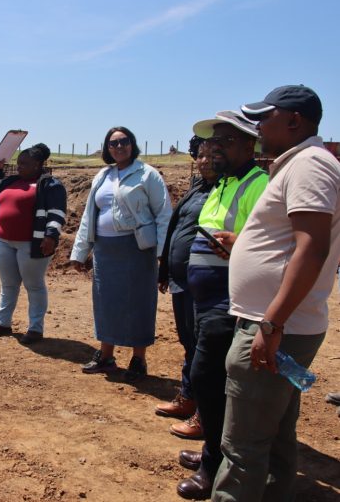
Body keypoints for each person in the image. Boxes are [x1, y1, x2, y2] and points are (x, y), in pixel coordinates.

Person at [211, 85, 340, 501]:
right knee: (276, 432)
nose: (257, 126)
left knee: (243, 445)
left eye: (264, 117)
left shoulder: (310, 166)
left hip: (274, 327)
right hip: (278, 324)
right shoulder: (299, 164)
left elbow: (313, 247)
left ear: (293, 120)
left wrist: (271, 322)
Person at [176, 111, 268, 500]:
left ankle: (215, 465)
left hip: (227, 302)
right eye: (212, 142)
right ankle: (212, 453)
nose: (214, 148)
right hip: (205, 299)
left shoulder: (258, 185)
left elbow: (268, 242)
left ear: (249, 146)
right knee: (208, 379)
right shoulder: (223, 184)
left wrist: (239, 244)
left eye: (225, 141)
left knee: (209, 381)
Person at [70, 126, 172, 380]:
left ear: (132, 144)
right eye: (113, 143)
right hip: (105, 249)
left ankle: (138, 360)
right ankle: (106, 356)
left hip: (137, 248)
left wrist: (163, 254)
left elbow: (163, 214)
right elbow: (89, 216)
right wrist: (80, 252)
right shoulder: (102, 176)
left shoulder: (147, 174)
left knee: (139, 302)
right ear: (107, 148)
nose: (118, 147)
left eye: (123, 141)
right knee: (106, 301)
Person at [156, 137, 218, 428]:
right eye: (201, 155)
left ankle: (204, 414)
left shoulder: (222, 192)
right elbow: (177, 227)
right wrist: (165, 267)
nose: (204, 161)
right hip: (181, 279)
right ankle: (189, 397)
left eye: (211, 155)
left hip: (204, 283)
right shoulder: (197, 188)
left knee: (202, 347)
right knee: (188, 342)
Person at [0, 143, 67, 344]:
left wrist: (51, 236)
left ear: (37, 165)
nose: (19, 166)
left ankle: (35, 329)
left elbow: (57, 213)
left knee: (34, 285)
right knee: (8, 284)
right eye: (18, 162)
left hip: (31, 244)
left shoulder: (50, 185)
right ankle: (3, 323)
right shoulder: (11, 181)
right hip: (4, 241)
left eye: (24, 163)